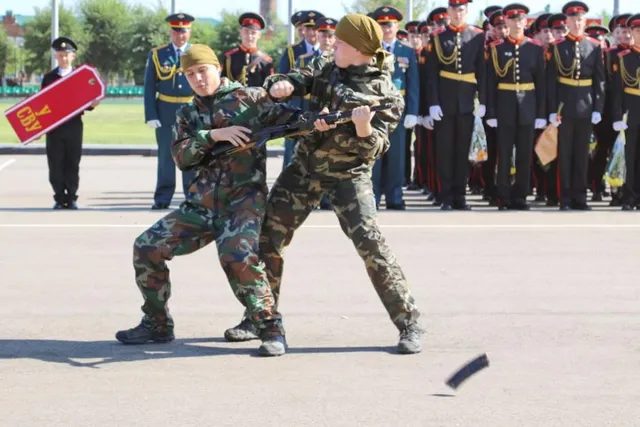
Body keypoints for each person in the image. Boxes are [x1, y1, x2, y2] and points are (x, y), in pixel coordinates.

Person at [224, 13, 423, 354]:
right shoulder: (326, 66)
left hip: (350, 176)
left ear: (360, 49)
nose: (334, 45)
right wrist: (281, 84)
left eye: (342, 42)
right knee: (268, 237)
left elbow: (376, 147)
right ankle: (259, 317)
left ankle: (409, 322)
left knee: (371, 244)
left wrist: (362, 128)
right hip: (306, 169)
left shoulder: (386, 94)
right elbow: (296, 78)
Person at [116, 44, 298, 357]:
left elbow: (294, 121)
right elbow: (181, 157)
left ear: (217, 68)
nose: (198, 78)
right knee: (147, 246)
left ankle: (271, 328)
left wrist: (304, 110)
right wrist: (213, 135)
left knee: (237, 256)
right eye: (190, 74)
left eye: (203, 70)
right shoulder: (188, 113)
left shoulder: (251, 99)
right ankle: (157, 324)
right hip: (199, 206)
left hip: (242, 204)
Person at [426, 0, 486, 211]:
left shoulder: (478, 36)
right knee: (445, 152)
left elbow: (482, 70)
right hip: (445, 101)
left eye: (461, 9)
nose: (457, 13)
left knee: (462, 152)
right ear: (448, 11)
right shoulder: (438, 37)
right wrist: (432, 103)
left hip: (467, 102)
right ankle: (446, 197)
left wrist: (483, 100)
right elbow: (431, 74)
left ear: (467, 11)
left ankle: (460, 195)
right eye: (453, 9)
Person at [486, 4, 546, 210]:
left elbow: (542, 84)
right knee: (503, 155)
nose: (517, 23)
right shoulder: (497, 49)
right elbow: (490, 83)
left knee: (524, 155)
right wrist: (491, 111)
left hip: (528, 106)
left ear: (525, 22)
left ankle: (520, 196)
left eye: (520, 20)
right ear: (507, 22)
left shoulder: (535, 49)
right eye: (512, 20)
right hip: (504, 106)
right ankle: (503, 196)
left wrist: (540, 113)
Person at [546, 1, 605, 210]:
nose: (577, 22)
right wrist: (552, 110)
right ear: (567, 22)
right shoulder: (557, 46)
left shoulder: (595, 46)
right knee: (565, 155)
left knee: (582, 155)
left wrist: (598, 107)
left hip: (586, 106)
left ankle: (581, 198)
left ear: (585, 20)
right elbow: (551, 81)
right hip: (564, 106)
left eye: (580, 19)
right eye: (573, 19)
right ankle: (565, 198)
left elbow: (600, 80)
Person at [144, 13, 197, 210]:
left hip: (191, 110)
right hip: (165, 110)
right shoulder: (158, 54)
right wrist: (151, 115)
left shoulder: (197, 53)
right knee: (166, 156)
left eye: (183, 31)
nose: (180, 35)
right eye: (176, 31)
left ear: (189, 32)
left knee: (191, 155)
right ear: (171, 32)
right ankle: (163, 197)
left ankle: (192, 197)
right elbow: (149, 86)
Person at [370, 6, 419, 210]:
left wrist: (413, 112)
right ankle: (373, 197)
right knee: (375, 156)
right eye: (382, 24)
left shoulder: (406, 51)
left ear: (396, 26)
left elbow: (413, 82)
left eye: (390, 24)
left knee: (398, 157)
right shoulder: (370, 50)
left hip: (397, 111)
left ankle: (395, 197)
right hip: (374, 111)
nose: (387, 28)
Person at [41, 37, 99, 210]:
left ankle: (72, 197)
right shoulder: (49, 78)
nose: (63, 58)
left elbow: (88, 102)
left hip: (74, 126)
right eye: (60, 55)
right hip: (54, 128)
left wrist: (93, 103)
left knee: (72, 162)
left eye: (67, 55)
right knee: (55, 164)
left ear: (73, 56)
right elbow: (41, 104)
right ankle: (59, 198)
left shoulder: (80, 76)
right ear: (56, 57)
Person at [281, 10, 325, 168]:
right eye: (308, 29)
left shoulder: (330, 52)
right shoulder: (292, 51)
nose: (312, 33)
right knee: (292, 151)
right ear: (302, 30)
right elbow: (283, 79)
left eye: (315, 29)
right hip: (297, 107)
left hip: (320, 109)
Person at [611, 14, 640, 210]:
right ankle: (630, 195)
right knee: (630, 154)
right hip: (632, 108)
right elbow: (617, 90)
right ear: (632, 33)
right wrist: (617, 116)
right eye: (637, 31)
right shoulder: (624, 58)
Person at [222, 12, 274, 87]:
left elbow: (270, 87)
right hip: (234, 98)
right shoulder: (229, 58)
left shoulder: (266, 61)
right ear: (240, 33)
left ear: (259, 35)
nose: (249, 36)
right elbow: (223, 83)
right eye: (246, 31)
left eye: (253, 33)